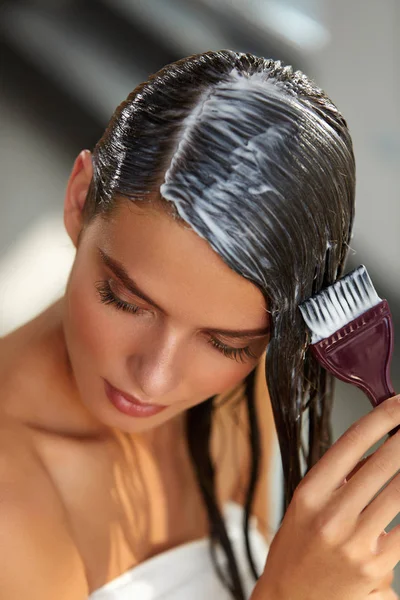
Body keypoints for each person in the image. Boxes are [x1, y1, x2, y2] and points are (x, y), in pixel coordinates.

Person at [0, 49, 398, 600]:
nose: (155, 379)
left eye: (224, 343)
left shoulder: (242, 385)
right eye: (124, 301)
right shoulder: (10, 514)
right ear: (77, 200)